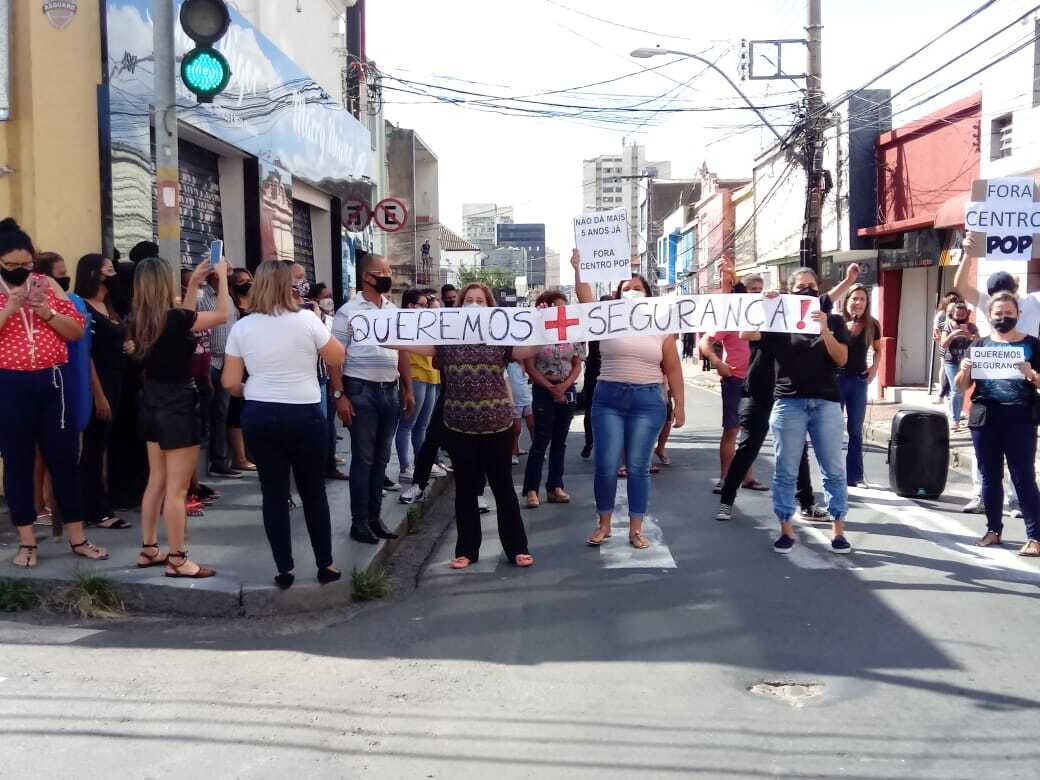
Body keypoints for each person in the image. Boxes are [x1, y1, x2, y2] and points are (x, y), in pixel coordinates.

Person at [222, 261, 346, 587]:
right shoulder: (307, 319)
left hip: (260, 413)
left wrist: (254, 386)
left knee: (273, 493)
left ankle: (285, 569)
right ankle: (326, 564)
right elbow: (337, 356)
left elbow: (230, 382)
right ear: (287, 287)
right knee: (313, 491)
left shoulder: (243, 327)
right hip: (304, 412)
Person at [398, 283, 540, 569]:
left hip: (498, 425)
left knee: (503, 489)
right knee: (464, 490)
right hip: (459, 426)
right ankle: (466, 550)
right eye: (469, 300)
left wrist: (551, 325)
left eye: (480, 300)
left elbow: (530, 348)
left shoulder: (502, 338)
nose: (474, 304)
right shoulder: (446, 341)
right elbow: (406, 341)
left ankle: (517, 548)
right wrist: (371, 334)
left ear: (490, 307)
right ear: (459, 307)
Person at [0, 218, 108, 567]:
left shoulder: (46, 285)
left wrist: (46, 312)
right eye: (11, 265)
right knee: (17, 461)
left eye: (26, 263)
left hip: (52, 381)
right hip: (10, 383)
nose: (20, 270)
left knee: (64, 459)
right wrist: (9, 309)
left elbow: (75, 331)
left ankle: (78, 537)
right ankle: (27, 541)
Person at [571, 250, 686, 549]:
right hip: (608, 399)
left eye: (637, 288)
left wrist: (680, 405)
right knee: (606, 465)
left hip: (647, 402)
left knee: (638, 467)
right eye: (626, 288)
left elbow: (673, 368)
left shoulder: (661, 324)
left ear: (648, 295)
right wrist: (578, 268)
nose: (632, 292)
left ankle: (636, 529)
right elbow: (584, 297)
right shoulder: (607, 317)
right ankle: (604, 524)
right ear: (617, 295)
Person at [133, 256, 229, 578]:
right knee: (177, 489)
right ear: (165, 283)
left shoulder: (139, 319)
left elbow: (183, 318)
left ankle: (149, 548)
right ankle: (178, 558)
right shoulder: (174, 318)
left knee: (156, 482)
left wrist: (196, 282)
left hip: (152, 401)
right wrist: (222, 278)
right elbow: (222, 315)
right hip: (179, 404)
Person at [744, 268, 852, 554]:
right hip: (789, 403)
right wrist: (762, 305)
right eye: (801, 286)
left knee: (833, 469)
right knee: (785, 470)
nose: (807, 290)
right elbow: (746, 333)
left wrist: (825, 329)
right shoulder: (779, 322)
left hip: (826, 403)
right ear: (790, 292)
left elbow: (841, 357)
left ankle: (838, 531)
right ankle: (786, 530)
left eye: (812, 285)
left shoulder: (834, 320)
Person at [331, 253, 416, 544]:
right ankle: (359, 522)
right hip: (360, 390)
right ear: (366, 277)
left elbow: (402, 351)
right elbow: (334, 357)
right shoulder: (348, 312)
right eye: (383, 272)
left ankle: (374, 518)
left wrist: (408, 389)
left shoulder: (392, 310)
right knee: (364, 458)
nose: (388, 276)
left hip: (390, 390)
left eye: (389, 271)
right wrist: (339, 395)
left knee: (382, 458)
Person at [955, 292, 1040, 557]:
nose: (1004, 318)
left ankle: (1035, 536)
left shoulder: (1033, 345)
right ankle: (993, 530)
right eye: (998, 314)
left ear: (1018, 314)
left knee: (1023, 476)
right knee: (989, 475)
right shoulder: (979, 345)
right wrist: (964, 369)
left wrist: (1031, 374)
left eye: (1009, 313)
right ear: (989, 316)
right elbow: (962, 386)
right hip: (985, 418)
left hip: (1020, 418)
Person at [954, 238, 1028, 514]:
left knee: (1019, 452)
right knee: (983, 445)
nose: (1001, 305)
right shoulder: (989, 304)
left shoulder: (1031, 303)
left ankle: (1016, 498)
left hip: (1021, 385)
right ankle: (982, 495)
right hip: (989, 382)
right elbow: (960, 286)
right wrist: (968, 254)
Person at [75, 253, 134, 529]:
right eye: (108, 270)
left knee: (107, 444)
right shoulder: (83, 306)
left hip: (118, 378)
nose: (114, 274)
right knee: (94, 447)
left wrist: (129, 344)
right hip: (98, 382)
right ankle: (94, 509)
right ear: (93, 274)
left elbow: (121, 333)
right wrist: (99, 395)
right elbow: (86, 355)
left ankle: (104, 500)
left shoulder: (109, 304)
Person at [522, 289, 584, 508]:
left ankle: (555, 486)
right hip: (543, 390)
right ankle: (531, 489)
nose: (560, 311)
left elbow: (577, 364)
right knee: (541, 440)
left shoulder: (573, 332)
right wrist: (550, 387)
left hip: (567, 389)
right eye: (556, 306)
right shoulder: (536, 333)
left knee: (560, 440)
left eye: (563, 307)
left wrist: (564, 387)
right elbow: (529, 367)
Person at [698, 328, 764, 492]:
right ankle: (725, 478)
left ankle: (747, 478)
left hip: (759, 379)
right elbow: (704, 341)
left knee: (752, 432)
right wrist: (718, 362)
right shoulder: (731, 319)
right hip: (734, 379)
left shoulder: (763, 320)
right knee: (731, 429)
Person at [199, 258, 239, 479]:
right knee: (205, 411)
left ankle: (219, 460)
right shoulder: (202, 297)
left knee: (221, 412)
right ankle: (200, 462)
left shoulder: (228, 298)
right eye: (226, 270)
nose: (229, 274)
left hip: (226, 361)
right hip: (208, 361)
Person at [838, 284, 882, 486]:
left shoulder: (872, 325)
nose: (858, 303)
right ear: (846, 301)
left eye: (862, 299)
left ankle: (854, 475)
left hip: (858, 380)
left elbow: (878, 349)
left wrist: (874, 367)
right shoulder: (837, 322)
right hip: (837, 379)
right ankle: (833, 472)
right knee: (833, 428)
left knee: (855, 429)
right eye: (854, 298)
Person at [395, 288, 440, 483]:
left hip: (431, 376)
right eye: (421, 305)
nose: (425, 309)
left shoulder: (428, 323)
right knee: (407, 424)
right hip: (415, 375)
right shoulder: (403, 325)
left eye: (426, 305)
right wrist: (407, 388)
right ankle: (405, 466)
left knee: (422, 425)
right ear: (410, 306)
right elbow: (402, 354)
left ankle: (422, 465)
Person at [227, 268, 255, 472]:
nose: (247, 284)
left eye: (249, 280)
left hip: (253, 363)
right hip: (238, 363)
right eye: (241, 281)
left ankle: (250, 452)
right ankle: (240, 457)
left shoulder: (257, 306)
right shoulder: (233, 307)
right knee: (236, 412)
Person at [940, 299, 977, 432]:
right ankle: (955, 420)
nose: (960, 318)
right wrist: (952, 335)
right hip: (951, 361)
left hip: (965, 362)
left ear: (967, 314)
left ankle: (956, 416)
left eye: (963, 315)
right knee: (956, 389)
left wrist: (969, 335)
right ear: (953, 314)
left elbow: (979, 341)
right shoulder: (948, 326)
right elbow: (943, 344)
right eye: (958, 315)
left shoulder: (971, 327)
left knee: (961, 390)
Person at [933, 291, 961, 404]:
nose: (954, 304)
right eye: (952, 302)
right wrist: (942, 338)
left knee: (953, 369)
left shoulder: (959, 313)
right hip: (945, 344)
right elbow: (936, 332)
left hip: (957, 345)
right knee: (944, 367)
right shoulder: (941, 315)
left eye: (956, 301)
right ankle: (942, 391)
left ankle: (945, 393)